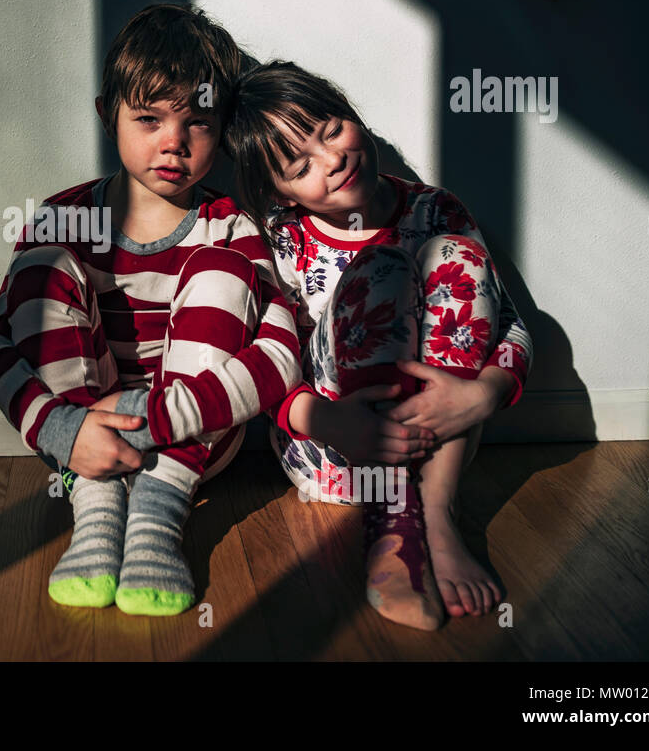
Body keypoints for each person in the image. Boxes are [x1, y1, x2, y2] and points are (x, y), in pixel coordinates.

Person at [0, 5, 353, 616]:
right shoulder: (63, 220)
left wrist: (162, 418)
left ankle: (158, 513)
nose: (172, 142)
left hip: (194, 434)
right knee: (43, 260)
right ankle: (95, 506)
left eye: (196, 123)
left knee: (221, 267)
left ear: (223, 126)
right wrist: (61, 430)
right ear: (109, 116)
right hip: (83, 435)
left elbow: (280, 355)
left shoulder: (231, 223)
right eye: (148, 119)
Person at [225, 59, 532, 629]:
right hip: (337, 448)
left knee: (455, 254)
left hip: (441, 440)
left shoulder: (435, 209)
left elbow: (509, 323)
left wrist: (485, 393)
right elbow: (264, 362)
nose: (332, 159)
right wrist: (325, 420)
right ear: (281, 193)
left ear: (353, 116)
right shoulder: (282, 241)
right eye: (300, 164)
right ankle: (390, 522)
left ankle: (434, 519)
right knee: (381, 265)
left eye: (332, 129)